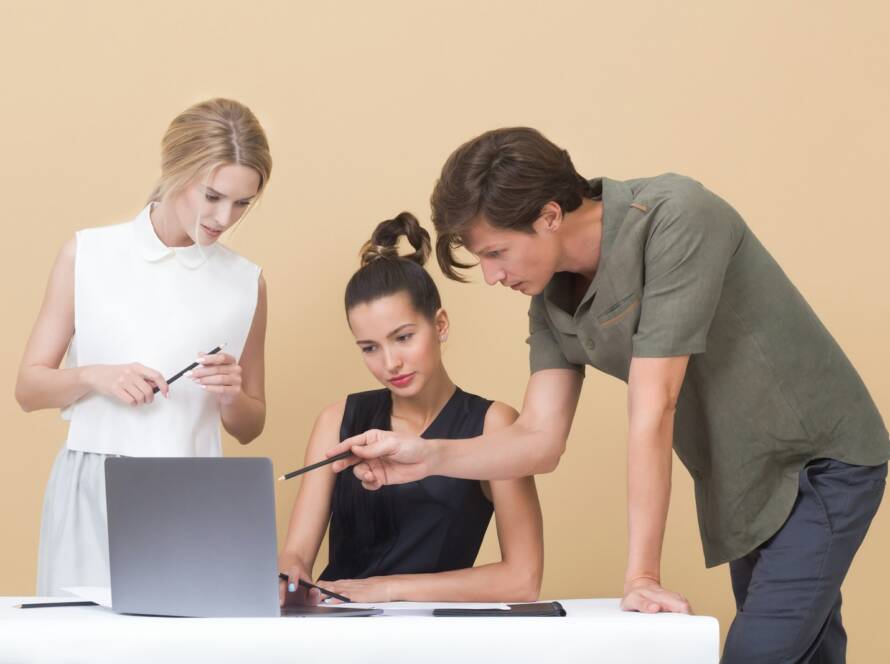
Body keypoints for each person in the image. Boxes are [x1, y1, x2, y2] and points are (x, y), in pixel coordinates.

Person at [328, 128, 889, 662]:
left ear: (549, 215)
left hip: (818, 462)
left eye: (496, 253)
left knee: (760, 653)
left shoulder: (676, 217)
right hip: (741, 483)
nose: (492, 277)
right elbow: (539, 440)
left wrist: (641, 577)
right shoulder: (549, 297)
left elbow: (654, 407)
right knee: (809, 651)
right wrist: (425, 457)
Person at [15, 98, 272, 596]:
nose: (225, 217)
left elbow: (249, 426)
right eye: (213, 196)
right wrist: (93, 376)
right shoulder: (88, 253)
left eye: (243, 203)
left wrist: (230, 394)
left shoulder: (247, 283)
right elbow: (28, 389)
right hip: (93, 484)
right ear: (177, 171)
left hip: (195, 493)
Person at [279, 212, 543, 606]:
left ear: (439, 325)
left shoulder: (494, 425)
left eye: (403, 337)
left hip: (430, 637)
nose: (390, 363)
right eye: (369, 348)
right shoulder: (337, 421)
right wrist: (289, 576)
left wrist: (387, 590)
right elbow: (296, 555)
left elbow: (522, 580)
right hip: (335, 630)